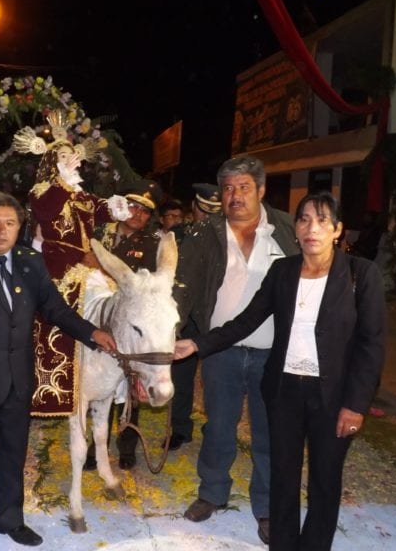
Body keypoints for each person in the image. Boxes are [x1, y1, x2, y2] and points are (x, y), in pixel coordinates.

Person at [175, 191, 386, 550]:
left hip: (333, 397)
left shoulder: (360, 274)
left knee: (324, 478)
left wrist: (355, 405)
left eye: (322, 220)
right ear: (296, 227)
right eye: (304, 219)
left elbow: (372, 344)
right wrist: (198, 344)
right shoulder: (283, 271)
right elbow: (246, 321)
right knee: (282, 475)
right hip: (284, 391)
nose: (311, 228)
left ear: (338, 230)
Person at [0, 191, 116, 551]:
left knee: (13, 454)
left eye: (10, 223)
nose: (1, 231)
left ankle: (9, 520)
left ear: (20, 228)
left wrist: (92, 333)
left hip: (17, 381)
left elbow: (55, 310)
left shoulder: (31, 262)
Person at [173, 157, 298, 545]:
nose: (234, 196)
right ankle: (212, 493)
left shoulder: (288, 231)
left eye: (243, 187)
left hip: (273, 353)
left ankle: (266, 507)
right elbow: (184, 290)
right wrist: (168, 332)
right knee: (219, 427)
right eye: (228, 188)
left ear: (261, 190)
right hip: (220, 352)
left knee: (269, 434)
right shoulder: (203, 234)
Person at [18, 116, 128, 416]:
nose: (74, 160)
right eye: (65, 157)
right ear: (54, 162)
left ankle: (115, 377)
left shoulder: (80, 194)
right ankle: (54, 386)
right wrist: (62, 182)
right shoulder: (43, 190)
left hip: (85, 265)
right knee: (56, 314)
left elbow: (99, 207)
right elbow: (44, 209)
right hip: (56, 265)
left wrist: (117, 208)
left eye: (74, 156)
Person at [85, 179, 162, 471]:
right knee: (97, 384)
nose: (137, 214)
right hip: (97, 322)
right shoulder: (97, 234)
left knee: (130, 386)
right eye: (133, 206)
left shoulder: (152, 246)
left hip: (129, 327)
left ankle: (126, 446)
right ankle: (95, 447)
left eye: (145, 211)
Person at [167, 182, 223, 452]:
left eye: (214, 211)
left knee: (217, 378)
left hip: (215, 315)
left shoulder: (226, 237)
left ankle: (215, 427)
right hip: (185, 317)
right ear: (194, 207)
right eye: (204, 210)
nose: (208, 217)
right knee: (180, 376)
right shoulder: (177, 234)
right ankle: (179, 428)